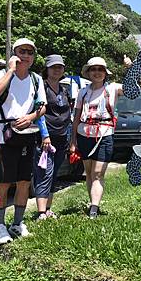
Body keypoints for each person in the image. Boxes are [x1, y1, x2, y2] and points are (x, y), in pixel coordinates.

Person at [0, 38, 48, 243]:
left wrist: (31, 117)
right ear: (14, 53)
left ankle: (17, 223)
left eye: (30, 52)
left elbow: (42, 106)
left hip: (27, 134)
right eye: (21, 51)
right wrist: (10, 70)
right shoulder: (1, 74)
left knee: (24, 181)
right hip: (3, 135)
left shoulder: (36, 79)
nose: (26, 55)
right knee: (3, 183)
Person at [69, 57, 123, 218]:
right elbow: (77, 116)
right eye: (94, 69)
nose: (97, 72)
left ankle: (94, 208)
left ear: (105, 73)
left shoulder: (113, 88)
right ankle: (92, 201)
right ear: (89, 72)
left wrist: (130, 67)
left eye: (100, 69)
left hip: (104, 135)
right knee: (89, 172)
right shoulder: (83, 92)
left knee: (98, 173)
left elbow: (132, 89)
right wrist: (73, 141)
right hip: (84, 134)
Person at [33, 54, 71, 219]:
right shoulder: (42, 87)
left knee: (54, 173)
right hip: (45, 138)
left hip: (62, 138)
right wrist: (45, 135)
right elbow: (39, 113)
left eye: (60, 67)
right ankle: (41, 212)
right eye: (53, 67)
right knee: (44, 172)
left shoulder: (64, 89)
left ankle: (48, 209)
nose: (57, 70)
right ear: (47, 69)